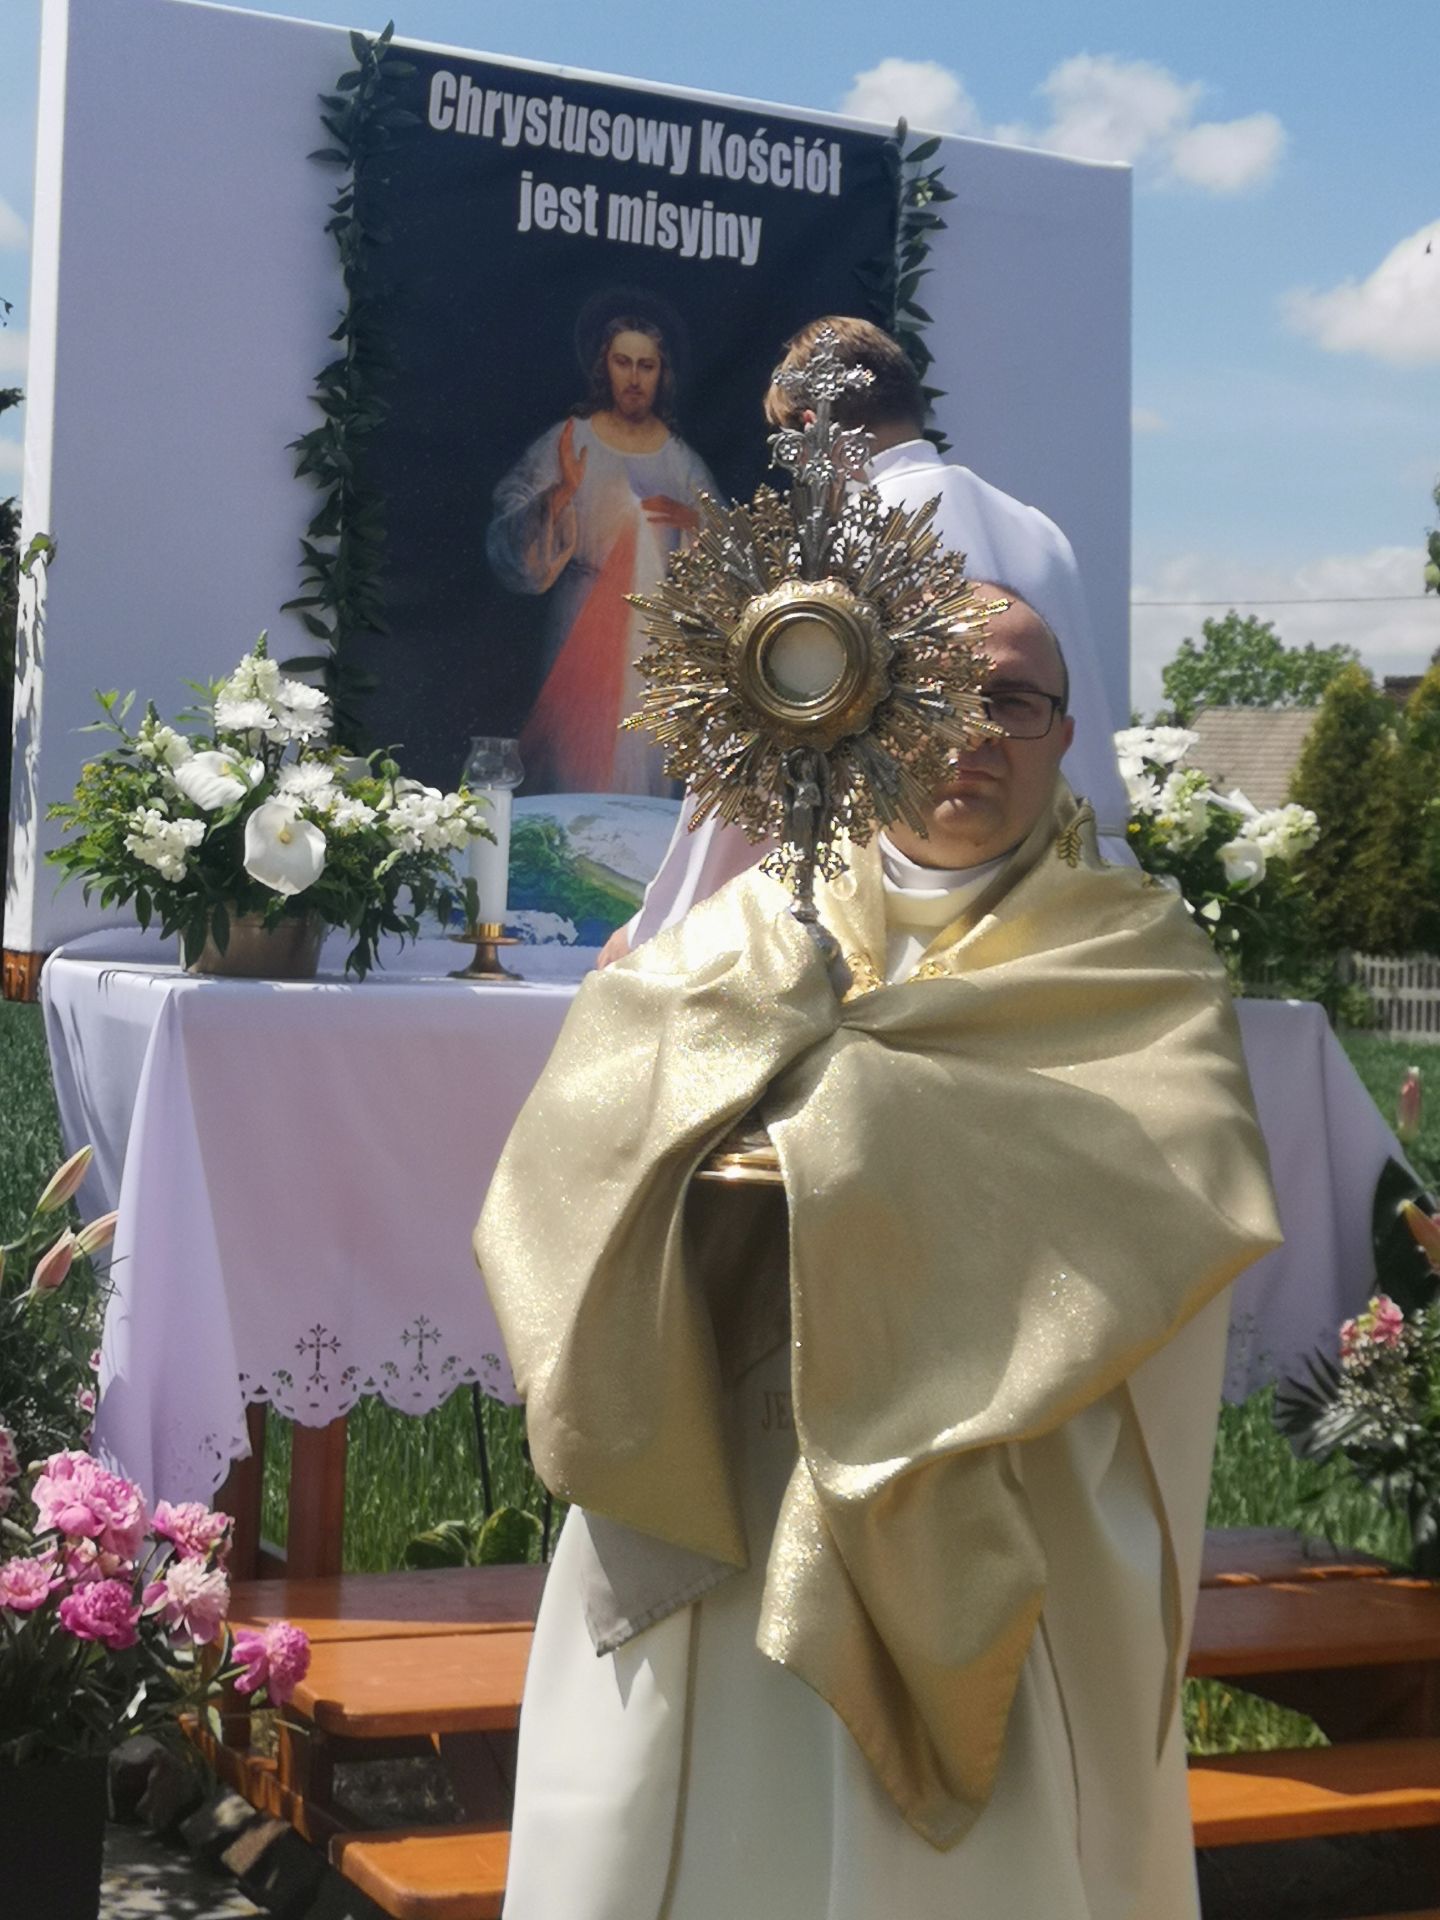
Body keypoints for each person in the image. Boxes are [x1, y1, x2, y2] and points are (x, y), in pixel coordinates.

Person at [476, 583, 1281, 1919]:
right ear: (868, 713)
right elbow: (580, 1145)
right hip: (725, 1472)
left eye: (1013, 701)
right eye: (939, 695)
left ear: (1063, 734)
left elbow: (1179, 1196)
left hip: (989, 1482)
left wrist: (849, 1129)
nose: (973, 733)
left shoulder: (1139, 959)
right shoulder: (746, 928)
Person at [600, 314, 1129, 962]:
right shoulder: (1040, 532)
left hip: (905, 920)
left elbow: (756, 765)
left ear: (809, 429)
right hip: (1081, 898)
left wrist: (659, 933)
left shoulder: (833, 546)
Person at [487, 293, 717, 795]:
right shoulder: (571, 439)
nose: (634, 378)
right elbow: (508, 527)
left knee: (647, 767)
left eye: (646, 366)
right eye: (622, 362)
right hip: (580, 624)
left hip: (657, 638)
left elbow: (726, 551)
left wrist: (694, 522)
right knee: (576, 764)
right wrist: (560, 493)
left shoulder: (680, 459)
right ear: (603, 367)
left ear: (661, 374)